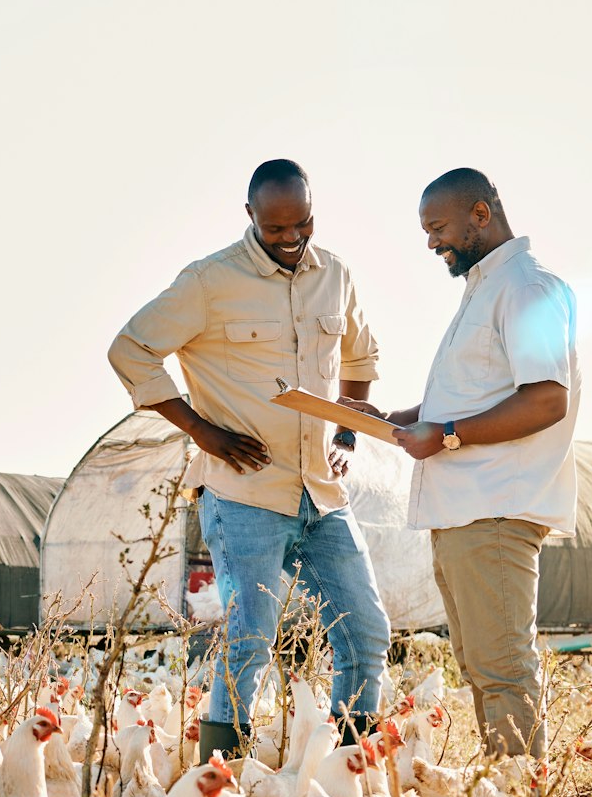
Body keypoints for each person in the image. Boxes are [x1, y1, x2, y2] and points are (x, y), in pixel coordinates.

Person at [108, 159, 393, 761]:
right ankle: (225, 781)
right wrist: (200, 429)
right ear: (250, 217)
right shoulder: (209, 282)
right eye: (276, 229)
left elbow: (361, 360)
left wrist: (348, 435)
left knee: (367, 634)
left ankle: (348, 775)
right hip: (244, 497)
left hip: (321, 494)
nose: (292, 240)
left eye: (304, 225)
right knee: (250, 639)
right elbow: (130, 349)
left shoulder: (335, 275)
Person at [343, 168, 579, 760]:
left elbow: (547, 399)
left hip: (494, 509)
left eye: (438, 227)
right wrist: (395, 418)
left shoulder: (525, 288)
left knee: (502, 670)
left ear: (481, 214)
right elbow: (476, 394)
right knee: (483, 668)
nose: (430, 243)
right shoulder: (487, 288)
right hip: (465, 512)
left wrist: (446, 434)